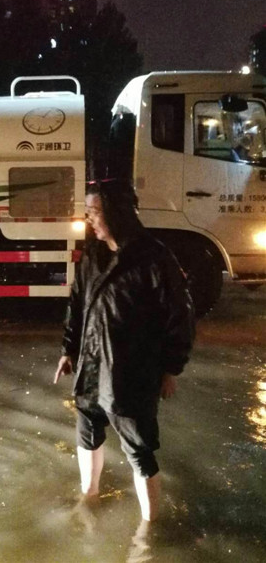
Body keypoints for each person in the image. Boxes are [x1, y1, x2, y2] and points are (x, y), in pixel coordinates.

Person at [54, 179, 195, 521]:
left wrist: (170, 368)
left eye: (94, 211)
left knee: (138, 447)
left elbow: (180, 317)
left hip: (131, 370)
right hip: (91, 364)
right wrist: (69, 349)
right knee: (88, 431)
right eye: (87, 211)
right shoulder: (93, 254)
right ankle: (89, 495)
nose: (89, 219)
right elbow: (78, 304)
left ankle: (150, 527)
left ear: (117, 212)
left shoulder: (154, 257)